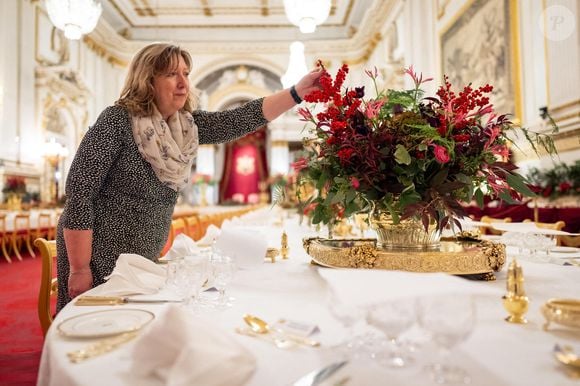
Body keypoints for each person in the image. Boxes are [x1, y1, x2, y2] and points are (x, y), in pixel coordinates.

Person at [56, 43, 323, 311]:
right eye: (172, 74)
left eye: (186, 73)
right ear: (148, 80)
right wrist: (79, 268)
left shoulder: (186, 127)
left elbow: (241, 119)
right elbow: (80, 192)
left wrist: (297, 92)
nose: (184, 83)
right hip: (98, 256)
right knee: (96, 334)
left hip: (143, 261)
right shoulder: (117, 121)